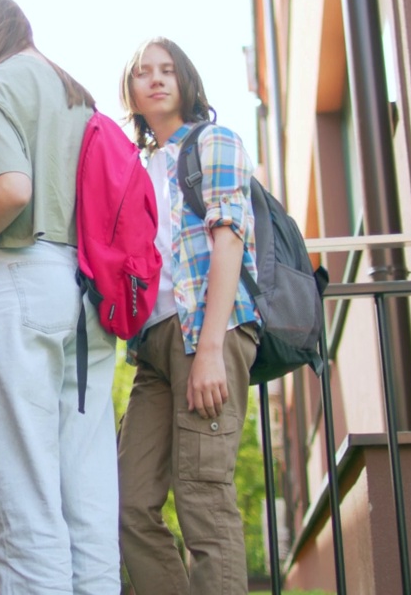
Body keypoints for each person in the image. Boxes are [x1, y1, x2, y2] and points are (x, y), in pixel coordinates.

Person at [0, 0, 120, 594]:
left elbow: (14, 191)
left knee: (16, 494)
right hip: (87, 293)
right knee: (84, 492)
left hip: (23, 278)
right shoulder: (74, 93)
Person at [116, 37, 260, 595]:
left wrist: (208, 351)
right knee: (128, 502)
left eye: (168, 69)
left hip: (208, 332)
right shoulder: (134, 166)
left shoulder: (213, 141)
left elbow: (229, 242)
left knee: (202, 493)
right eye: (143, 72)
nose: (155, 79)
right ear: (129, 90)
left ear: (187, 80)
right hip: (153, 344)